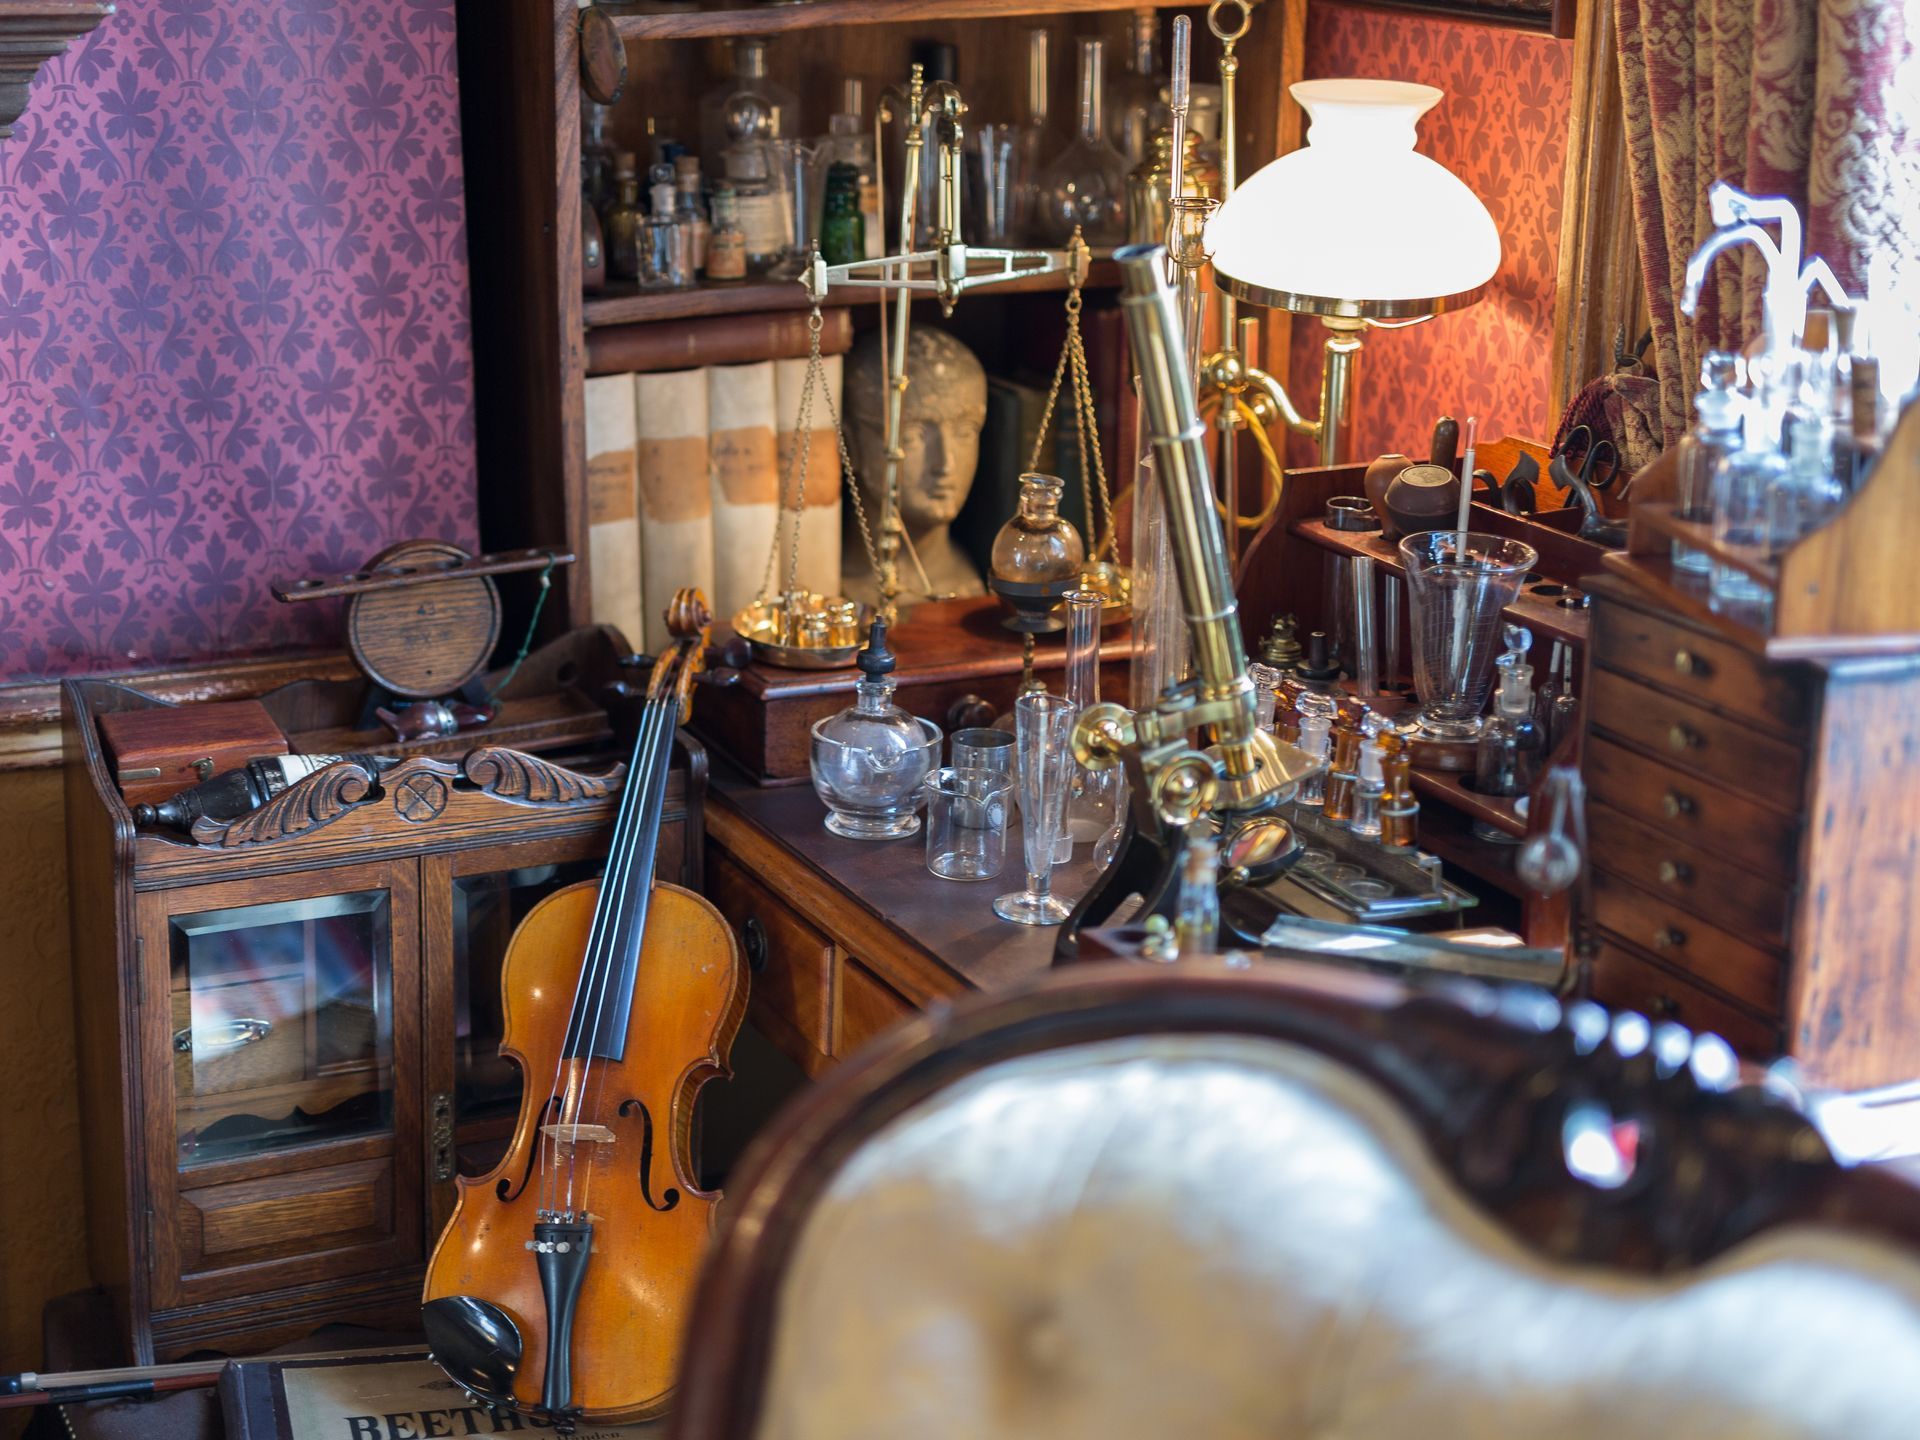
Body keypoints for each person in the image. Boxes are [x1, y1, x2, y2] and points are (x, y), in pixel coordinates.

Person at [841, 325, 989, 605]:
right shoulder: (829, 585)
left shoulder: (971, 584)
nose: (946, 463)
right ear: (851, 445)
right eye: (914, 436)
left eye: (965, 431)